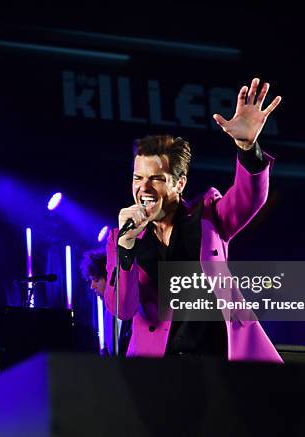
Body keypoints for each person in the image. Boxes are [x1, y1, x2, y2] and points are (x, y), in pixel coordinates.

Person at [104, 77, 283, 362]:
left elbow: (249, 198)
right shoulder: (124, 238)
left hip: (220, 359)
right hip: (161, 368)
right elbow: (122, 309)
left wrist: (248, 148)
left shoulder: (208, 216)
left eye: (156, 179)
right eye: (138, 178)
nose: (144, 188)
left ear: (179, 183)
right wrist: (126, 246)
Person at [80, 248, 131, 356]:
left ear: (110, 277)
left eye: (96, 279)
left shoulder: (133, 306)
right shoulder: (108, 313)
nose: (92, 286)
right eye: (91, 280)